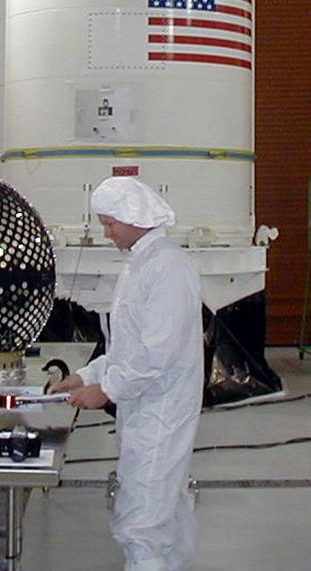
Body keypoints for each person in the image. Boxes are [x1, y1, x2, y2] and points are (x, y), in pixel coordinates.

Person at [51, 177, 203, 571]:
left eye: (110, 223)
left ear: (133, 218)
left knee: (144, 513)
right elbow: (128, 346)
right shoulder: (141, 263)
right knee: (161, 497)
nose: (107, 233)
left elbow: (158, 353)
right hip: (146, 404)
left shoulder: (166, 266)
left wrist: (108, 389)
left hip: (161, 406)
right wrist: (86, 376)